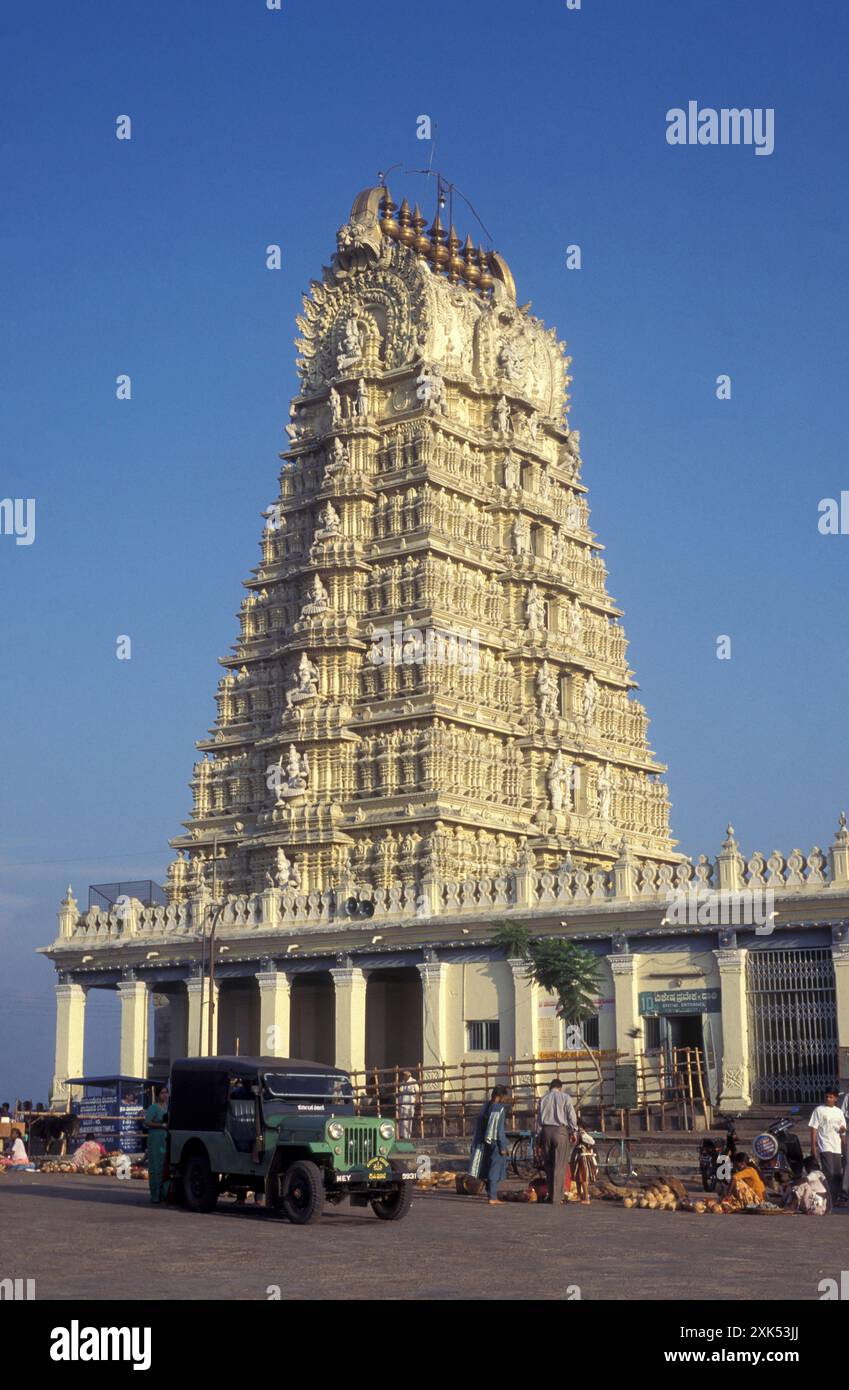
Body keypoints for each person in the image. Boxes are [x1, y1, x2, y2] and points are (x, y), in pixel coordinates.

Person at [537, 1078, 577, 1206]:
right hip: (560, 1132)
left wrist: (538, 1137)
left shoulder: (543, 1099)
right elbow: (572, 1116)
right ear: (560, 1088)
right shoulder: (565, 1097)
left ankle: (550, 1195)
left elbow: (538, 1121)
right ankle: (557, 1198)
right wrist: (573, 1131)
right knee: (559, 1166)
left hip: (546, 1132)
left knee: (549, 1166)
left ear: (550, 1087)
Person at [469, 1086, 509, 1206]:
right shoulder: (500, 1108)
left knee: (486, 1167)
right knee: (495, 1169)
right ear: (501, 1096)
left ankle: (490, 1193)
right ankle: (492, 1197)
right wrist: (503, 1147)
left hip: (483, 1142)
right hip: (495, 1142)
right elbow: (499, 1130)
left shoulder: (485, 1107)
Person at [809, 1086, 846, 1206]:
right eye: (827, 1096)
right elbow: (814, 1128)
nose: (828, 1098)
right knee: (829, 1172)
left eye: (831, 1096)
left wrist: (843, 1140)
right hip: (824, 1144)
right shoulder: (819, 1110)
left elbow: (843, 1131)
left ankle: (833, 1199)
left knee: (837, 1174)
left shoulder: (839, 1112)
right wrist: (813, 1146)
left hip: (836, 1146)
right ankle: (825, 1195)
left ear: (836, 1099)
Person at [143, 1086, 170, 1204]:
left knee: (165, 1166)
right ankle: (155, 1195)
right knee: (155, 1166)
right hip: (155, 1138)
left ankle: (164, 1194)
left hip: (166, 1138)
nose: (165, 1095)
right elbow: (147, 1122)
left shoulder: (168, 1108)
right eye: (162, 1093)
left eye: (166, 1093)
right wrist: (161, 1126)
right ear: (158, 1095)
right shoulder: (153, 1107)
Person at [397, 1071, 419, 1141]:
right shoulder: (403, 1082)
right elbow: (400, 1091)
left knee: (408, 1121)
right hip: (402, 1104)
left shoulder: (413, 1082)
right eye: (404, 1075)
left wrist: (415, 1102)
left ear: (409, 1076)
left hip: (410, 1105)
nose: (404, 1076)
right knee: (402, 1122)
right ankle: (402, 1135)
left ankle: (408, 1136)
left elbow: (417, 1092)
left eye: (405, 1075)